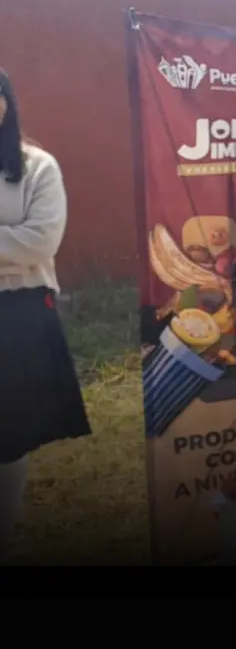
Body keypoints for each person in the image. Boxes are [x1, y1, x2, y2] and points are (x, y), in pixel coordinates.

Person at [0, 70, 90, 563]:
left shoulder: (37, 167)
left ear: (5, 104)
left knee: (8, 437)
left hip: (17, 312)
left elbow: (41, 240)